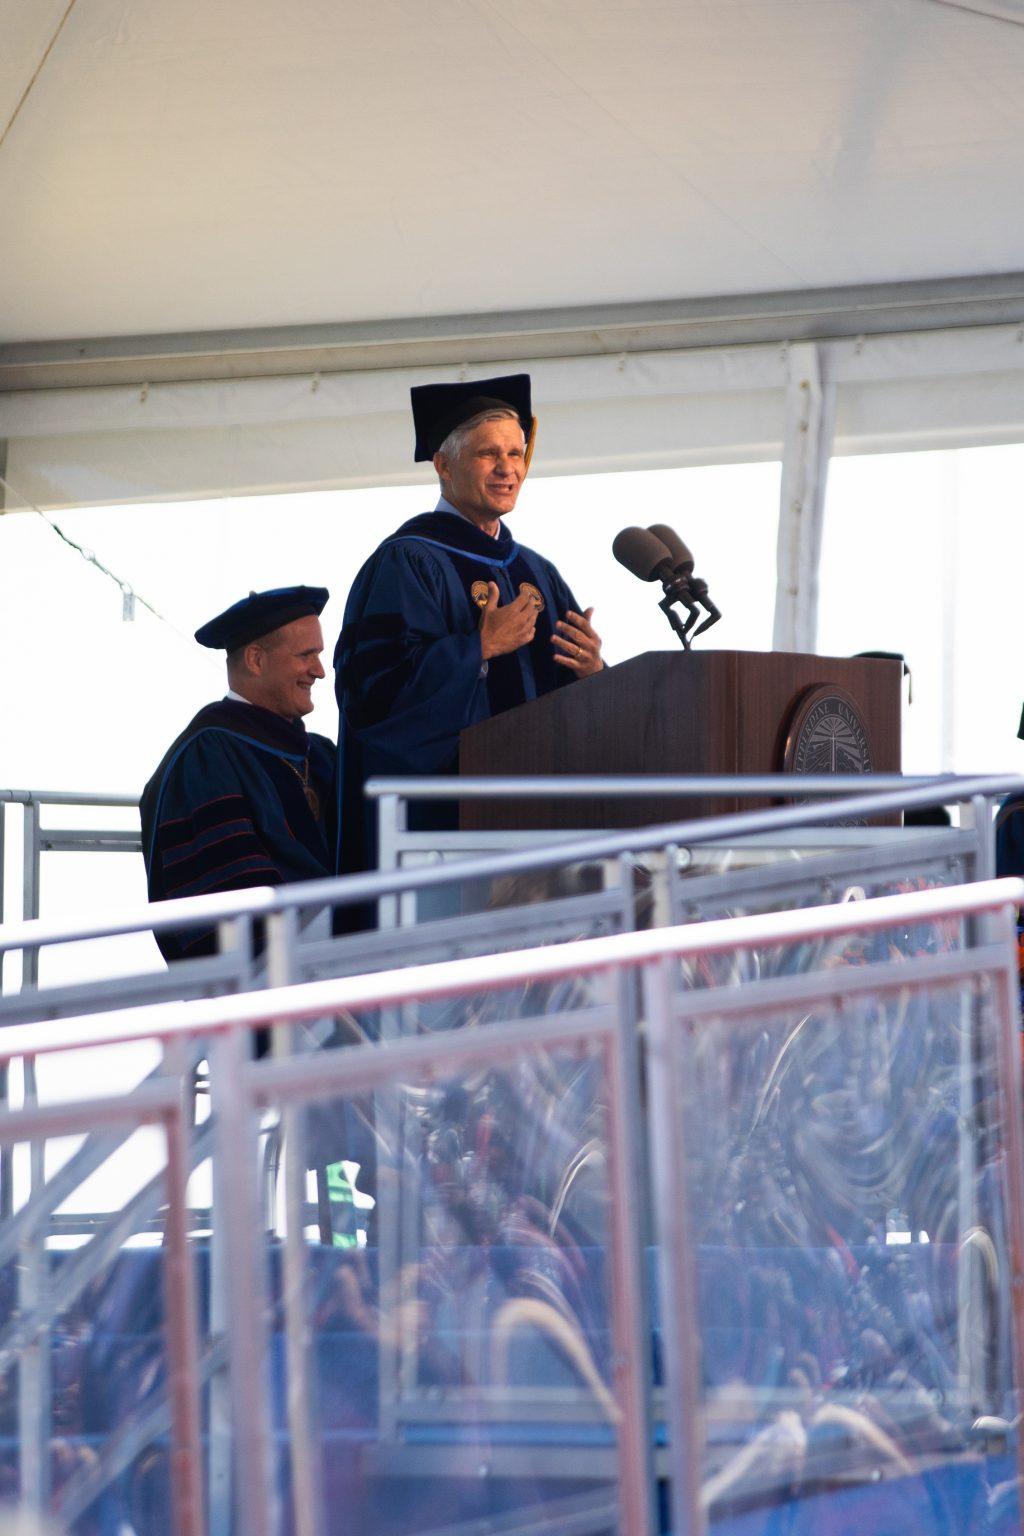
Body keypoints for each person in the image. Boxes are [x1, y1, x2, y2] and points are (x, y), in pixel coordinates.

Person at [334, 373, 603, 878]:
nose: (508, 469)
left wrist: (593, 672)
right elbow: (373, 696)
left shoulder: (538, 573)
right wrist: (476, 649)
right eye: (488, 455)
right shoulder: (406, 563)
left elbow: (571, 705)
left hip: (537, 831)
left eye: (517, 454)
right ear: (443, 465)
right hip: (442, 839)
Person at [141, 585, 335, 961]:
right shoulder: (207, 758)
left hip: (337, 968)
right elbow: (230, 903)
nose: (319, 671)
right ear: (256, 660)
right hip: (271, 983)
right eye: (306, 655)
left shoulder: (322, 755)